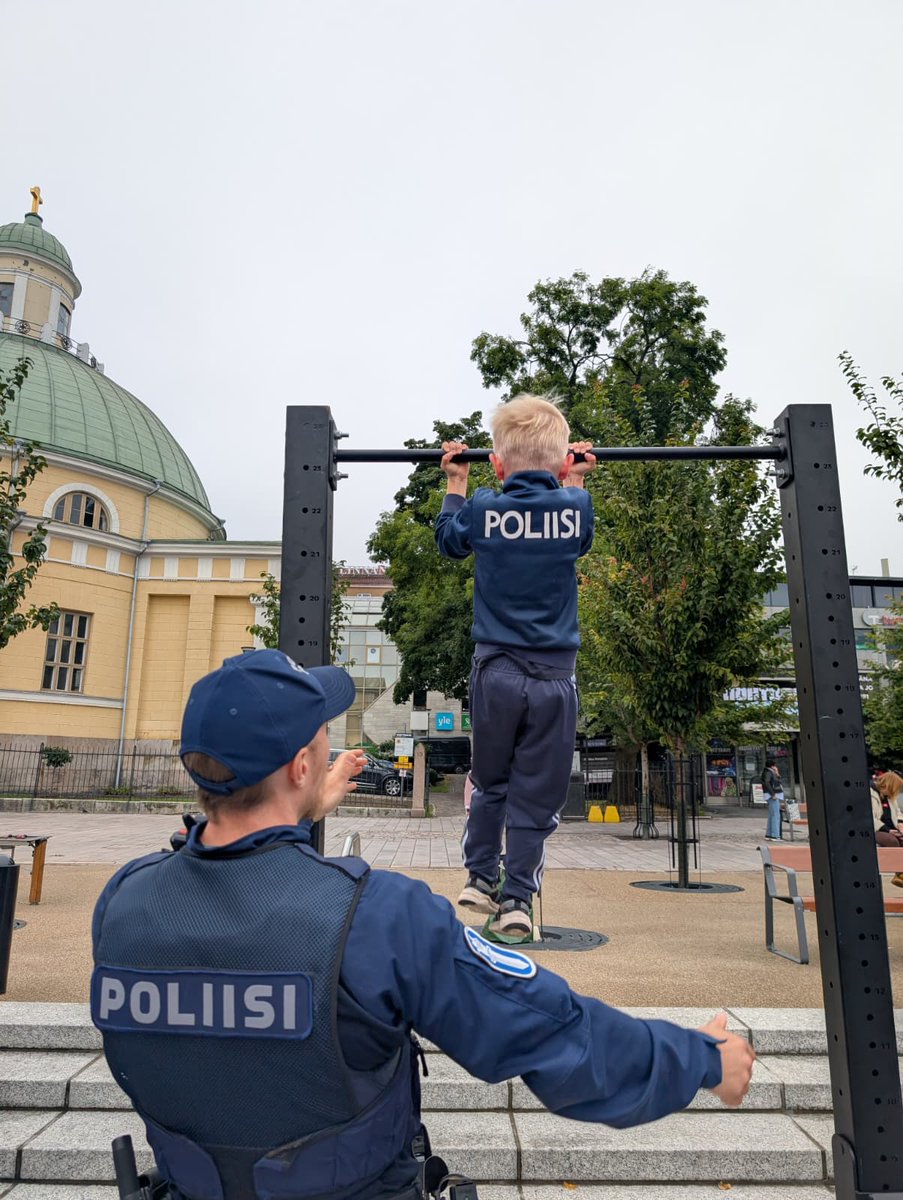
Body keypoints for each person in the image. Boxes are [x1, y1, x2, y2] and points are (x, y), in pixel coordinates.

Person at [91, 648, 755, 1200]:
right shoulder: (379, 918)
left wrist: (293, 811)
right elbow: (553, 1035)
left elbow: (222, 871)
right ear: (299, 767)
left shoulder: (124, 903)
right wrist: (699, 1060)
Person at [435, 394, 596, 941]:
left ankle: (480, 877)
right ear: (557, 464)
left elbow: (449, 544)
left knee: (491, 779)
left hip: (496, 672)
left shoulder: (484, 506)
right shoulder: (574, 508)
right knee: (538, 791)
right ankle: (519, 898)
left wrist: (457, 484)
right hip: (553, 679)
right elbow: (578, 535)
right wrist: (572, 482)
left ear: (497, 465)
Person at [873, 770, 903, 887]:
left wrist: (900, 826)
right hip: (877, 829)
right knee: (892, 841)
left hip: (892, 828)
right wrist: (888, 830)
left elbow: (898, 813)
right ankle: (899, 873)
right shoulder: (872, 794)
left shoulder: (890, 797)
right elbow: (870, 818)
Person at [761, 759, 784, 840]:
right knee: (775, 815)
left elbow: (777, 780)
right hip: (773, 795)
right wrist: (773, 794)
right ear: (772, 766)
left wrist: (777, 773)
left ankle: (770, 834)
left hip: (772, 794)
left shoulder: (770, 772)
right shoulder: (768, 772)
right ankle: (775, 835)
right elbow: (767, 783)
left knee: (772, 815)